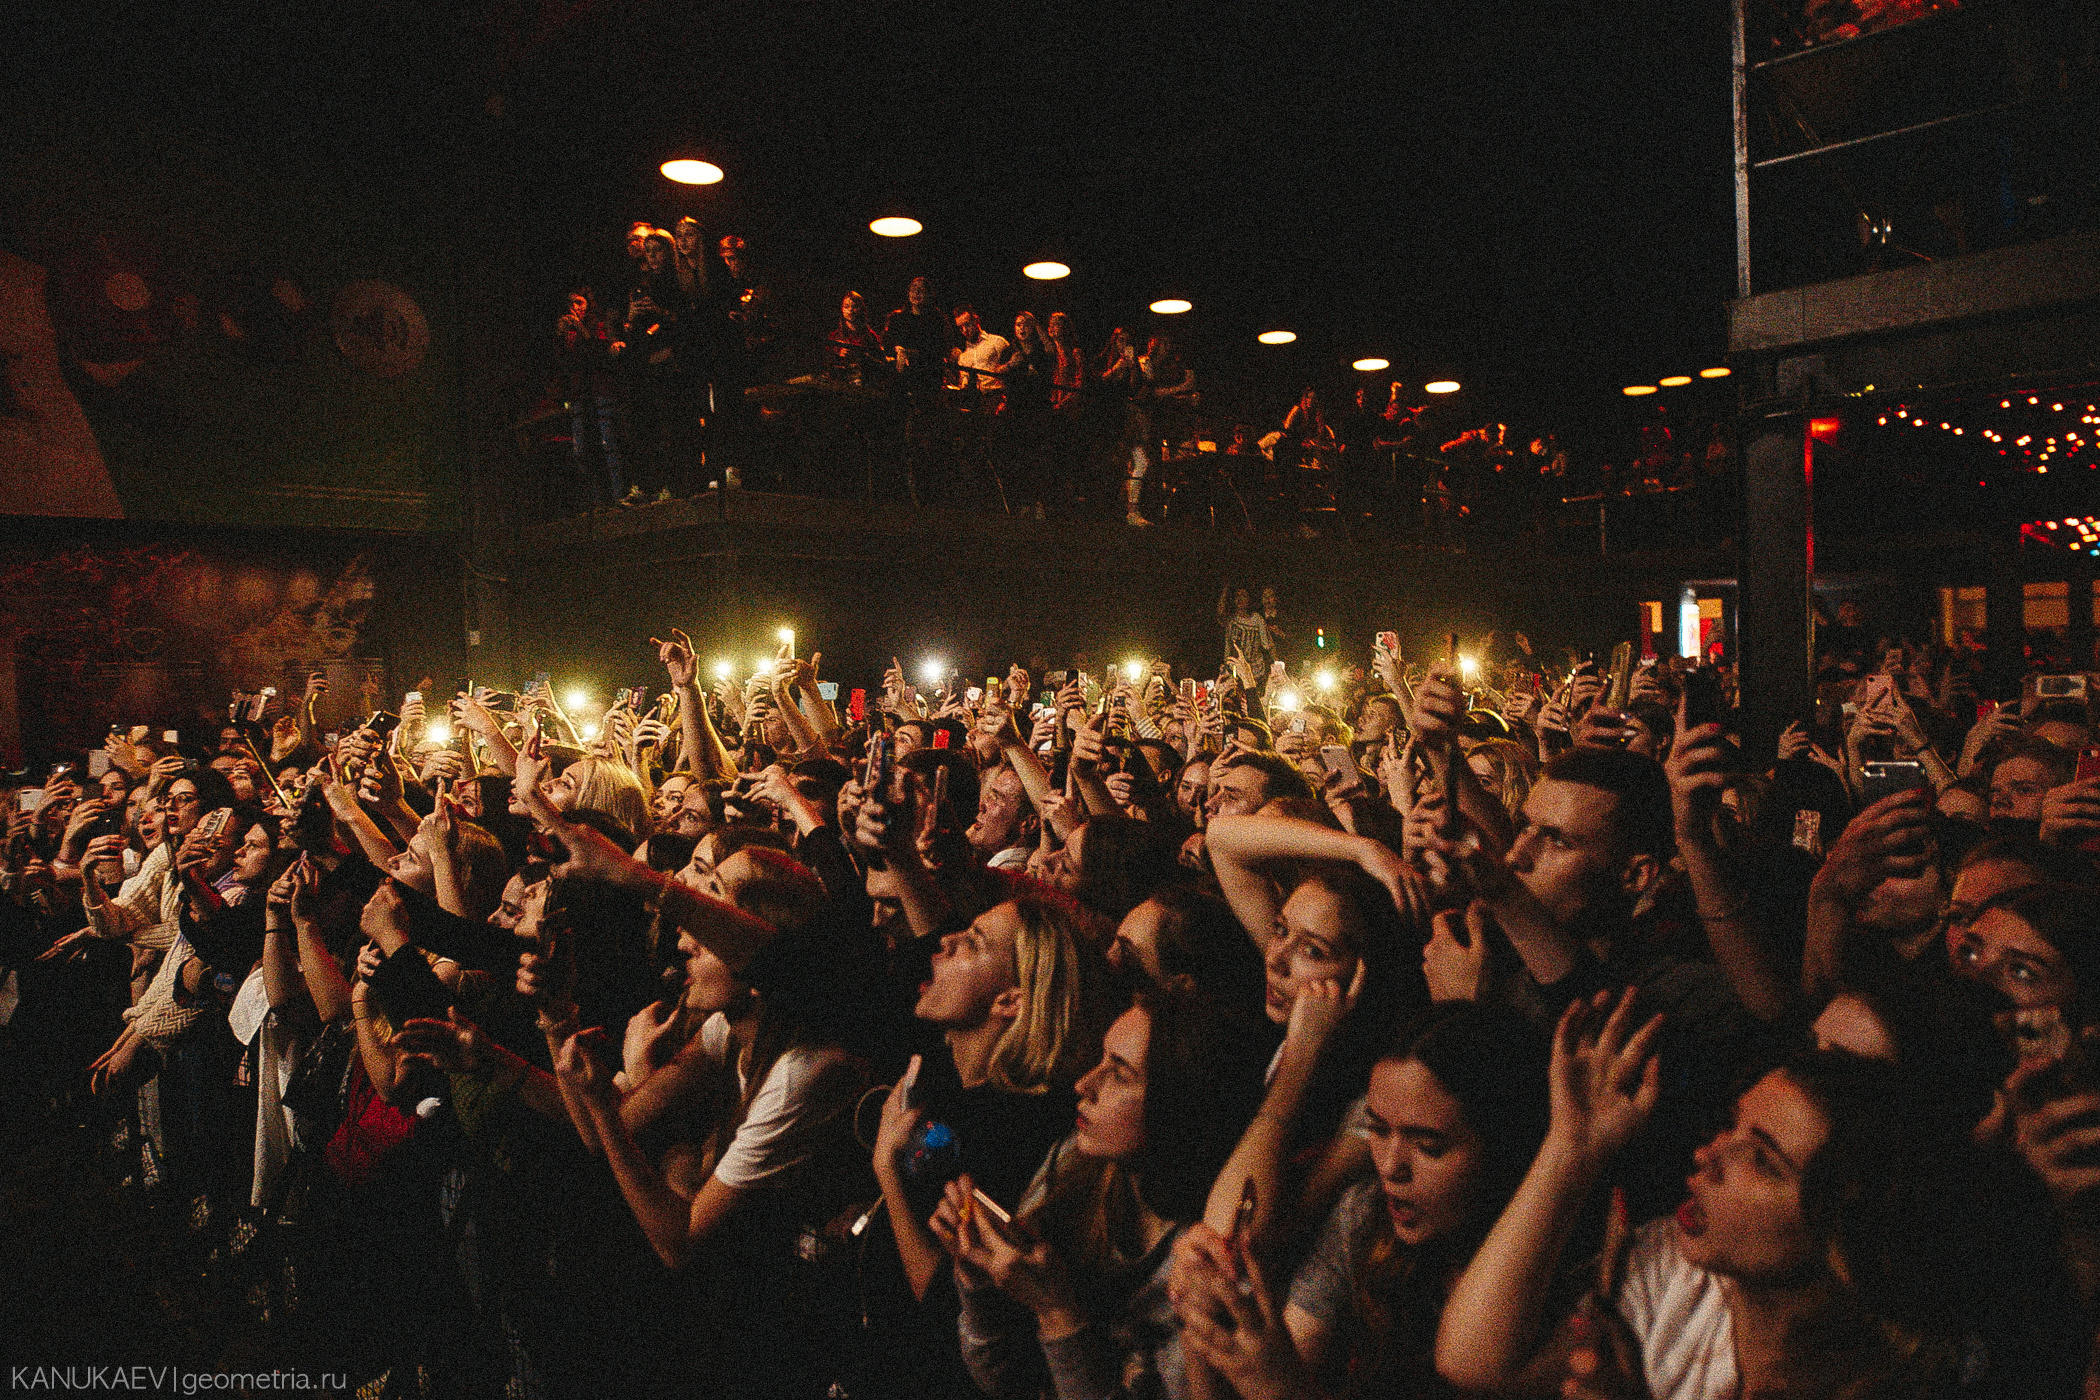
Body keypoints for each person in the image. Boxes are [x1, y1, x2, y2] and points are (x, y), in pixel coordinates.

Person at [1171, 1003, 1552, 1399]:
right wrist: (1201, 1328)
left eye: (1428, 1146)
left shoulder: (1541, 1285)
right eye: (1378, 1130)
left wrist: (1281, 1388)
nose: (1390, 1166)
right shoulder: (1366, 1216)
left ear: (1505, 1148)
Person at [934, 984, 1271, 1400]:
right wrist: (977, 1279)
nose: (1084, 1084)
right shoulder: (1075, 1162)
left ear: (1176, 1106)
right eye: (1100, 1061)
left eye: (1120, 1074)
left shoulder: (1197, 1263)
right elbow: (1003, 1381)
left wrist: (1057, 1312)